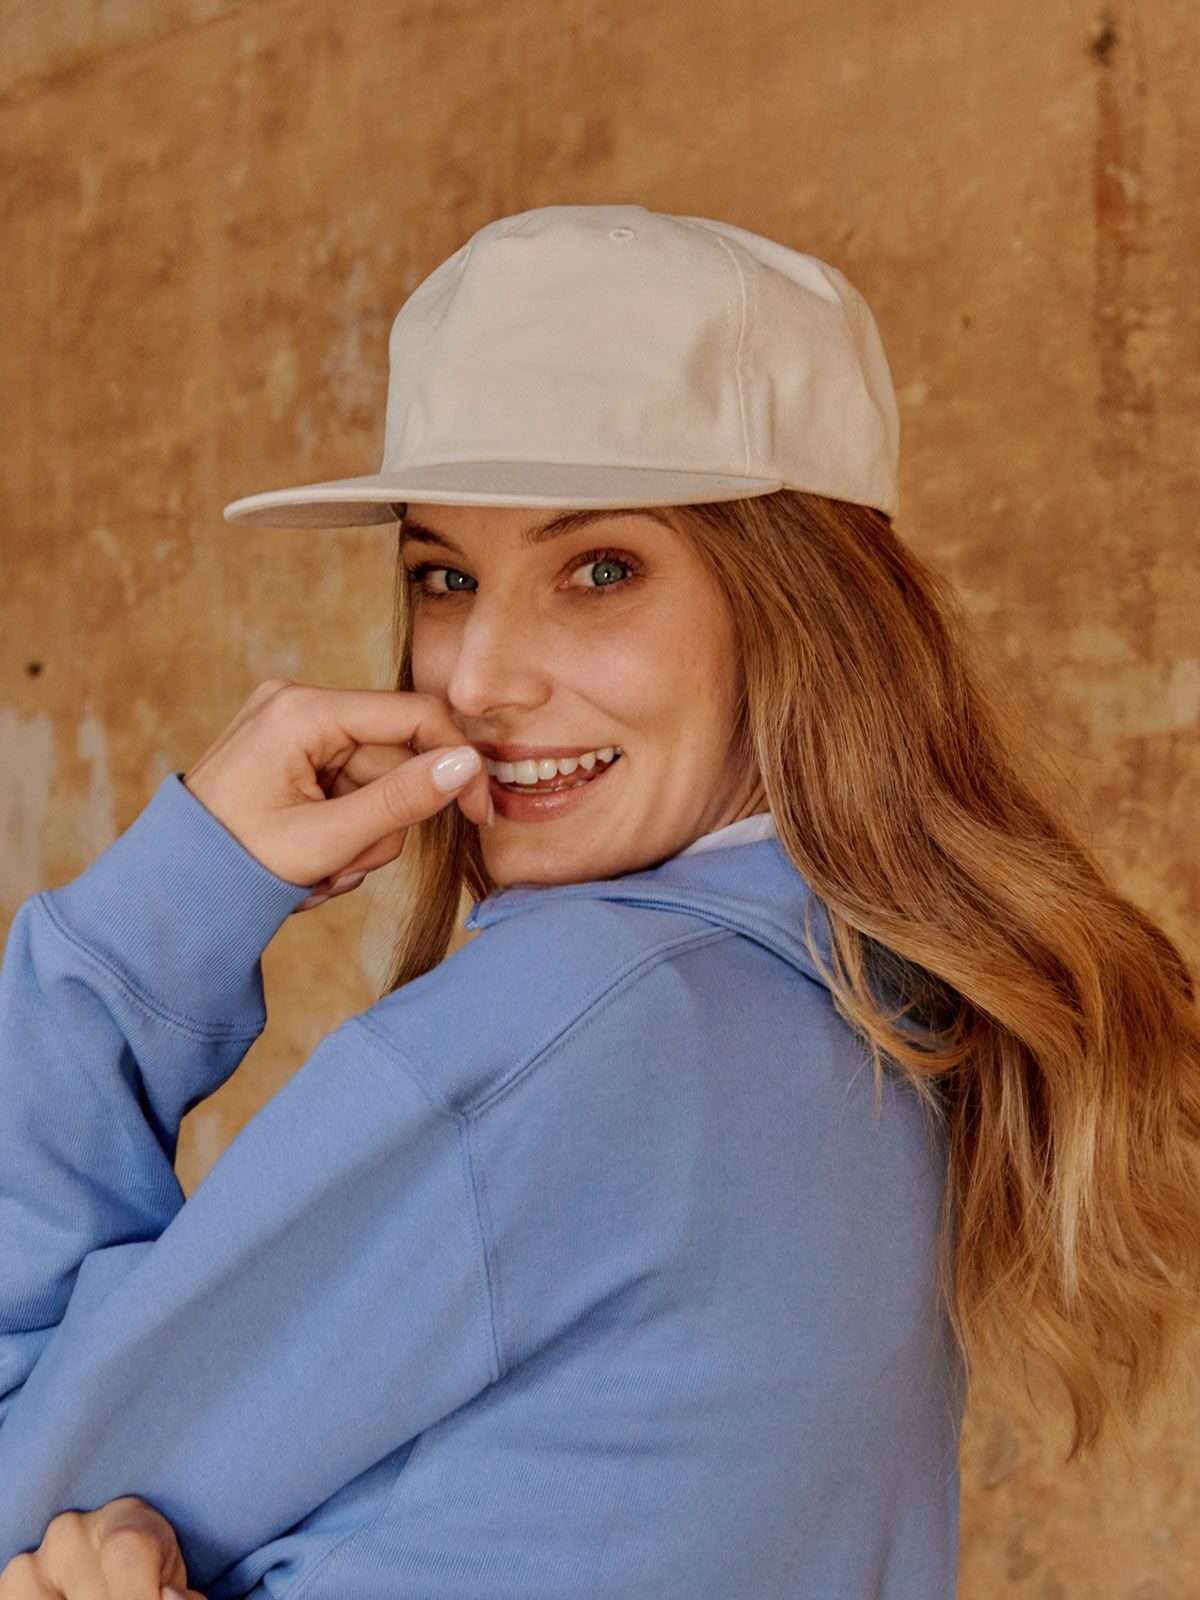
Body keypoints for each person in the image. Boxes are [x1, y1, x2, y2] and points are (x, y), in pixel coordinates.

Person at [2, 205, 1198, 1600]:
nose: (482, 674)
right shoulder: (884, 1021)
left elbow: (25, 1493)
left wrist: (154, 921)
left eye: (600, 570)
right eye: (445, 577)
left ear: (804, 614)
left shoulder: (578, 1026)